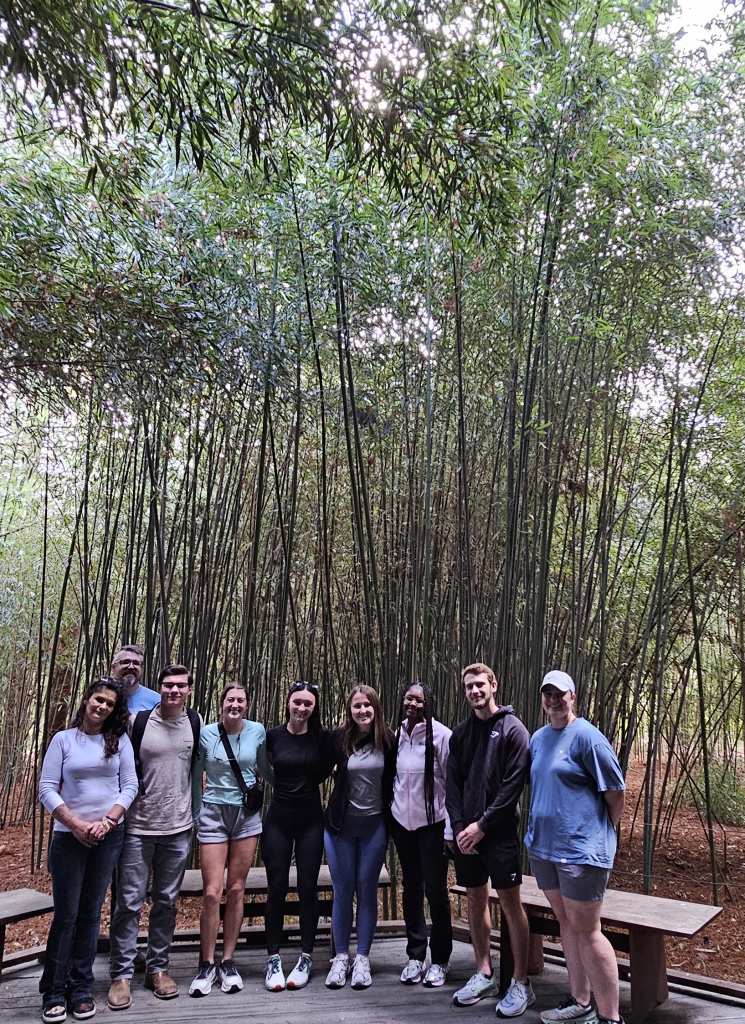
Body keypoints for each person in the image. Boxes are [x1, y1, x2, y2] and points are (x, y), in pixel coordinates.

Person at [526, 671, 626, 1024]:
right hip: (544, 848)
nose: (553, 699)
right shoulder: (538, 739)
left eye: (560, 694)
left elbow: (615, 793)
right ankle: (580, 1001)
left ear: (573, 696)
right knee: (567, 923)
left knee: (588, 929)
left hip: (580, 851)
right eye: (547, 693)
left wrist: (601, 832)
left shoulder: (588, 737)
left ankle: (610, 1017)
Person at [38, 678, 138, 1024]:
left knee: (91, 913)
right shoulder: (63, 739)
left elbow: (130, 786)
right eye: (99, 700)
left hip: (108, 836)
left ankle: (80, 987)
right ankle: (53, 990)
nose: (102, 707)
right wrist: (76, 824)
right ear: (86, 700)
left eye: (110, 704)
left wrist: (107, 823)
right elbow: (47, 788)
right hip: (69, 837)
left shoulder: (120, 741)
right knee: (66, 915)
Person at [107, 664, 201, 1010]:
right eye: (168, 685)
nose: (174, 691)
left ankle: (158, 967)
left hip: (177, 827)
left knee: (166, 901)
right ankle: (121, 974)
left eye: (180, 686)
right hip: (137, 827)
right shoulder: (139, 722)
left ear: (190, 689)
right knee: (129, 903)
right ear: (158, 687)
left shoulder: (196, 721)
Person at [446, 662, 533, 1016]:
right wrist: (457, 828)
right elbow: (451, 784)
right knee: (474, 901)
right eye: (469, 687)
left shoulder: (514, 730)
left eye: (480, 685)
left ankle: (520, 982)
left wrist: (481, 825)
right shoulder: (461, 734)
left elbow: (512, 787)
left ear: (493, 685)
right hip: (466, 835)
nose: (474, 691)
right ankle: (483, 971)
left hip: (497, 835)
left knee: (511, 905)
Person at [188, 683, 271, 997]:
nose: (235, 704)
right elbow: (196, 775)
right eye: (230, 699)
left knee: (237, 889)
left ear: (247, 705)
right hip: (213, 813)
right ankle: (206, 963)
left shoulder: (257, 731)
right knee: (212, 892)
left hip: (247, 817)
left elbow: (264, 768)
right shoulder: (207, 733)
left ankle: (228, 960)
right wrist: (197, 816)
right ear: (221, 703)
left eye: (241, 700)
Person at [261, 681, 334, 992]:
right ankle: (273, 958)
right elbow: (265, 769)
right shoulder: (273, 735)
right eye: (297, 702)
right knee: (276, 886)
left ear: (314, 707)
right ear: (288, 703)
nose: (302, 708)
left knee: (308, 886)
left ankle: (306, 956)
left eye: (308, 703)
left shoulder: (323, 738)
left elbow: (329, 768)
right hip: (278, 818)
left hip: (310, 819)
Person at [324, 685, 396, 991]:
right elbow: (315, 765)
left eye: (368, 705)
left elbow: (398, 777)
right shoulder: (338, 738)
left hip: (374, 824)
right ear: (349, 710)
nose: (363, 711)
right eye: (357, 706)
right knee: (343, 890)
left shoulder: (389, 740)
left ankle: (363, 958)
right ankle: (341, 957)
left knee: (367, 889)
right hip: (339, 825)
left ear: (375, 708)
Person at [390, 682, 453, 987]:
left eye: (418, 699)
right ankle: (416, 955)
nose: (412, 703)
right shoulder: (396, 735)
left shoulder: (442, 735)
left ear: (428, 704)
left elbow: (453, 784)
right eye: (408, 698)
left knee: (436, 891)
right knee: (411, 887)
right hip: (403, 823)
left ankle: (440, 958)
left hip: (433, 823)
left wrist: (451, 828)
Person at [109, 646, 160, 713]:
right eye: (125, 662)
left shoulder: (157, 701)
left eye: (136, 663)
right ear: (113, 667)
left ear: (142, 669)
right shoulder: (101, 696)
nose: (131, 667)